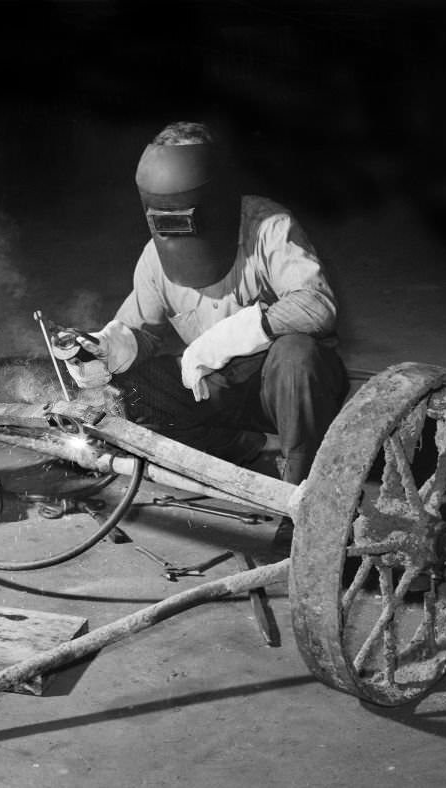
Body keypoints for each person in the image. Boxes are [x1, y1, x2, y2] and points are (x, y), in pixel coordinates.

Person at [63, 121, 348, 553]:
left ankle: (303, 496)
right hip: (216, 395)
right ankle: (232, 448)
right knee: (132, 388)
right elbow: (140, 331)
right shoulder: (155, 255)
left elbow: (318, 306)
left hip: (287, 390)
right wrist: (102, 347)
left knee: (297, 354)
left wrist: (240, 332)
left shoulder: (269, 226)